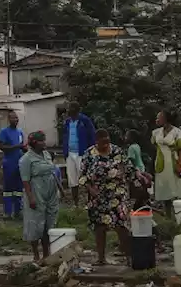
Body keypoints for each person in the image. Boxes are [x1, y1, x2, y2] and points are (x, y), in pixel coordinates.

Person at [83, 129, 138, 265]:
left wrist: (136, 183)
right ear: (96, 142)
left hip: (117, 193)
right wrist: (91, 189)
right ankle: (101, 258)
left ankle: (129, 257)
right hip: (97, 196)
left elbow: (129, 170)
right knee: (99, 227)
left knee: (121, 225)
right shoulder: (89, 154)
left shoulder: (117, 151)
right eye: (103, 142)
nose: (106, 145)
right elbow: (83, 176)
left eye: (108, 141)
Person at [20, 131, 61, 261]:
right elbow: (25, 180)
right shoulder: (26, 159)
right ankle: (36, 255)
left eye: (44, 140)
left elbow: (52, 172)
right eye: (41, 141)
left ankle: (46, 253)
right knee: (35, 223)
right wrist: (31, 197)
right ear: (34, 143)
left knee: (49, 223)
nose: (44, 143)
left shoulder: (47, 155)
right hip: (36, 192)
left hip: (50, 192)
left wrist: (60, 188)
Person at [152, 110, 181, 207]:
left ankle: (180, 211)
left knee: (177, 186)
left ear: (165, 119)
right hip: (162, 162)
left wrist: (179, 164)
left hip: (174, 161)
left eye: (159, 117)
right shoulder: (156, 133)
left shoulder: (177, 132)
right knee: (164, 188)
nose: (156, 120)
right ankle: (167, 214)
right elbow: (155, 145)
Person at [62, 104, 96, 205]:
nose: (70, 112)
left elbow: (92, 136)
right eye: (69, 110)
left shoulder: (84, 121)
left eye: (72, 110)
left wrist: (91, 152)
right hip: (70, 153)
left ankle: (90, 201)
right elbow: (64, 137)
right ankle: (76, 203)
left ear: (77, 110)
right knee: (72, 180)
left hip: (82, 153)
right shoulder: (67, 122)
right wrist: (65, 151)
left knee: (86, 178)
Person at [0, 110, 26, 217]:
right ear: (9, 120)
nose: (16, 120)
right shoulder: (4, 132)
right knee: (8, 189)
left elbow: (22, 147)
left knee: (19, 188)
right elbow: (2, 147)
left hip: (19, 163)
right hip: (9, 163)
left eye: (17, 117)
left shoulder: (20, 132)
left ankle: (18, 211)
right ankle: (8, 212)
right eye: (13, 118)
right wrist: (16, 147)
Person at [125, 129, 152, 207]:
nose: (125, 137)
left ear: (131, 138)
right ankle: (144, 200)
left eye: (127, 136)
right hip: (141, 167)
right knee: (142, 186)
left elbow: (131, 161)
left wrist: (132, 171)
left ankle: (138, 202)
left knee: (135, 188)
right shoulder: (137, 146)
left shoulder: (131, 148)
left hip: (136, 170)